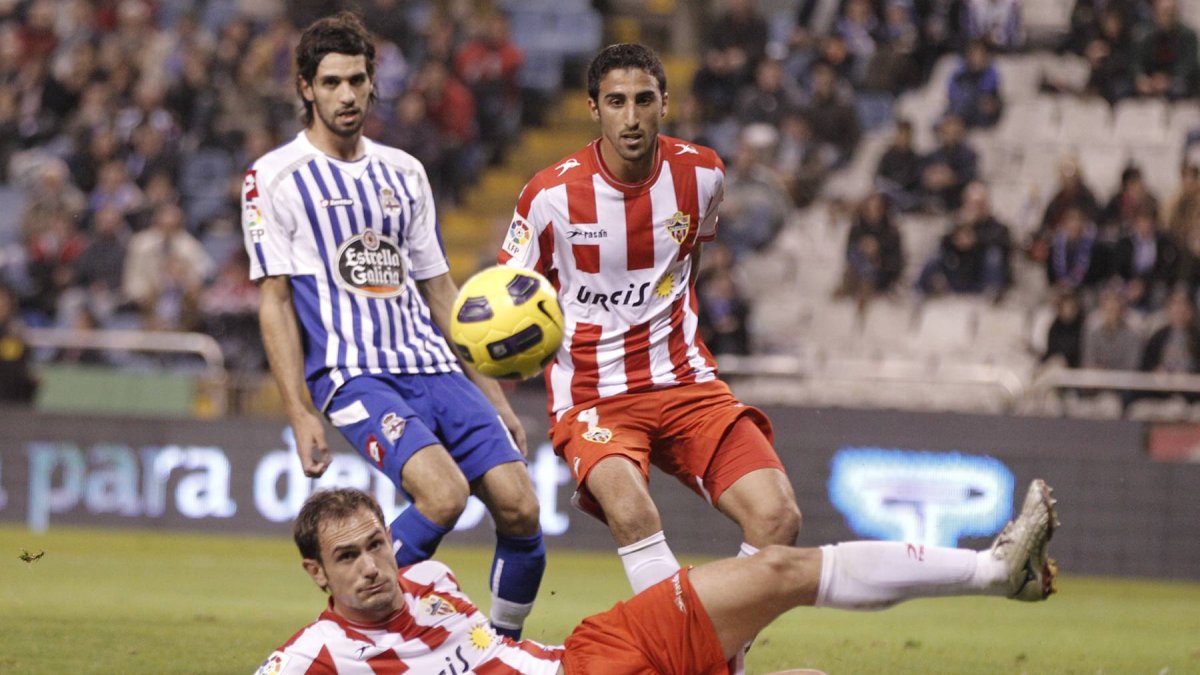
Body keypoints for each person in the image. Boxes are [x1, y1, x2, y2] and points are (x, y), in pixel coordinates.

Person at [244, 12, 544, 639]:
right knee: (443, 496)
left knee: (521, 507)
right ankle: (338, 638)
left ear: (373, 82)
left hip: (434, 366)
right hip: (355, 373)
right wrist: (299, 411)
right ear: (305, 87)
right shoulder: (273, 177)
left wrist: (493, 396)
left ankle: (501, 652)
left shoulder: (404, 172)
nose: (347, 95)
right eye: (331, 83)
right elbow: (274, 300)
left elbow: (441, 293)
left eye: (357, 80)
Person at [496, 44, 802, 598]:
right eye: (616, 102)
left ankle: (714, 651)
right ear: (593, 108)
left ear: (666, 102)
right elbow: (504, 299)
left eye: (643, 100)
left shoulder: (704, 173)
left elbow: (690, 258)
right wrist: (498, 395)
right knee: (636, 516)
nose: (631, 117)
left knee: (779, 519)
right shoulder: (549, 196)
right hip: (593, 395)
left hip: (686, 382)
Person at [257, 484, 1058, 674]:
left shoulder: (425, 571)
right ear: (315, 575)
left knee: (777, 566)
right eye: (348, 557)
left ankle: (998, 571)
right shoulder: (318, 652)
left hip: (586, 656)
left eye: (375, 544)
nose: (371, 566)